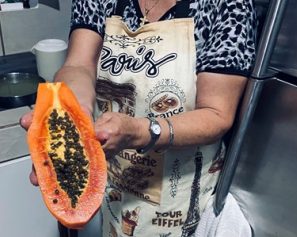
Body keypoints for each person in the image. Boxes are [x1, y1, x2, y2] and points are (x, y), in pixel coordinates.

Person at [21, 0, 256, 236]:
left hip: (179, 199)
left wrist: (141, 131)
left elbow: (217, 114)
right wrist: (74, 113)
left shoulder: (227, 5)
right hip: (116, 190)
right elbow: (79, 64)